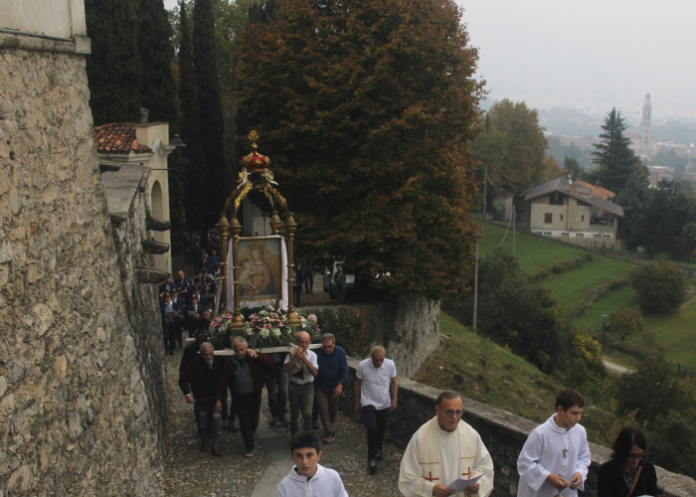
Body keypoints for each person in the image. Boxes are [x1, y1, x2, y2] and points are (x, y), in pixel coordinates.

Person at [398, 391, 494, 497]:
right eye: (449, 412)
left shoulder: (471, 435)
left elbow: (484, 467)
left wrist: (476, 483)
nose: (454, 417)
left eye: (458, 412)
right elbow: (408, 477)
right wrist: (432, 489)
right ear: (437, 410)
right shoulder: (420, 438)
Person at [517, 389, 591, 497]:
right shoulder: (541, 433)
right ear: (560, 410)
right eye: (574, 413)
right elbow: (524, 462)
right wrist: (548, 477)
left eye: (580, 413)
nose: (578, 418)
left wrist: (579, 473)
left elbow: (584, 458)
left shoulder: (580, 432)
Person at [216, 337, 275, 456]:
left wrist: (257, 356)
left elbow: (271, 362)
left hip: (254, 395)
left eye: (241, 350)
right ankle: (249, 445)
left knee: (254, 420)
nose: (239, 353)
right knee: (244, 421)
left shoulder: (253, 358)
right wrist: (218, 398)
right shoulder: (230, 363)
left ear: (246, 348)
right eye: (237, 350)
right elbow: (223, 380)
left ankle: (249, 436)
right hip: (239, 396)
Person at [355, 345, 398, 474]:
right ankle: (371, 458)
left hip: (384, 402)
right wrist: (356, 402)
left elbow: (394, 381)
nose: (379, 363)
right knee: (372, 428)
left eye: (381, 360)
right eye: (376, 360)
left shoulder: (390, 365)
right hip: (368, 401)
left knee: (381, 428)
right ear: (371, 357)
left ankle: (378, 448)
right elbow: (357, 383)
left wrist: (394, 399)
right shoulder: (363, 366)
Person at [178, 342, 226, 456]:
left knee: (216, 422)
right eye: (206, 355)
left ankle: (215, 446)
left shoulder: (219, 362)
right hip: (201, 397)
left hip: (214, 397)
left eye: (210, 354)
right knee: (202, 422)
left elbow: (222, 381)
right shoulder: (195, 364)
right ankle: (204, 440)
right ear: (201, 354)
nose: (208, 357)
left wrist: (219, 398)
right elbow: (183, 379)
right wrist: (187, 395)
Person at [276, 431, 349, 497]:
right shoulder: (284, 487)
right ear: (292, 457)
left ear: (318, 456)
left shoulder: (332, 477)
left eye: (309, 455)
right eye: (299, 456)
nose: (304, 462)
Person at [597, 427, 657, 497]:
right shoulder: (606, 471)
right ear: (622, 452)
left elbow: (652, 493)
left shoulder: (648, 469)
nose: (636, 460)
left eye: (640, 455)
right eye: (632, 455)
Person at [313, 333, 348, 443]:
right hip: (320, 386)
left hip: (334, 386)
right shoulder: (317, 353)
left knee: (333, 409)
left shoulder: (340, 352)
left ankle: (327, 427)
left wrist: (340, 384)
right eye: (325, 347)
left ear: (334, 344)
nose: (327, 349)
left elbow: (344, 370)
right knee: (323, 409)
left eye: (330, 347)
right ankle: (329, 433)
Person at [283, 331, 319, 435]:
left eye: (306, 342)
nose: (304, 345)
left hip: (307, 388)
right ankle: (294, 435)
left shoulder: (312, 355)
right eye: (301, 342)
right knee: (294, 414)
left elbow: (315, 373)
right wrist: (295, 358)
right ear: (297, 342)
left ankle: (307, 435)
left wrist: (305, 360)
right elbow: (285, 369)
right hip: (294, 387)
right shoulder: (291, 353)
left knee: (308, 414)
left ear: (309, 342)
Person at [266, 352, 290, 428]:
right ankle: (275, 415)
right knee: (272, 394)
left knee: (283, 391)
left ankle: (282, 414)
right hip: (267, 367)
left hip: (280, 366)